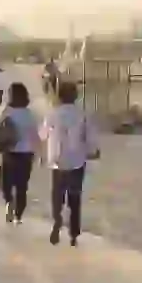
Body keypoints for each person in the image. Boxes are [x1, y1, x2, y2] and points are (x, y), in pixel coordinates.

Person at [40, 81, 100, 246]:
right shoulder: (82, 115)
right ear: (75, 96)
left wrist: (41, 154)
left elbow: (42, 135)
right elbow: (90, 139)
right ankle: (73, 235)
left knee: (57, 196)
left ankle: (57, 220)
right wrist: (93, 151)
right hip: (76, 162)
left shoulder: (52, 114)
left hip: (56, 161)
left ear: (58, 96)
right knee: (74, 198)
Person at [0, 82, 42, 223]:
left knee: (6, 183)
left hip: (10, 152)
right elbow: (35, 136)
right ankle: (18, 215)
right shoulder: (30, 114)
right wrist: (40, 154)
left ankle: (9, 201)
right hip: (26, 154)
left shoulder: (7, 112)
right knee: (22, 186)